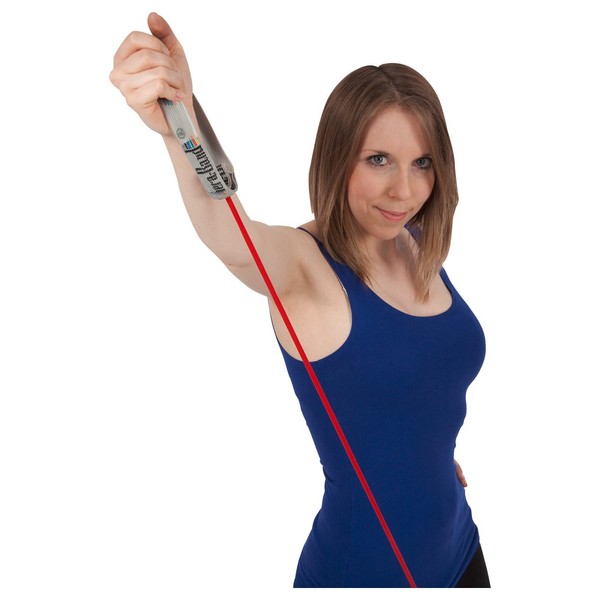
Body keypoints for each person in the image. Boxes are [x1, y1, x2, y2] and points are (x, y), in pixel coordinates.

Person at [110, 12, 491, 588]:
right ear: (338, 159)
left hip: (461, 552)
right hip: (362, 575)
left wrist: (427, 458)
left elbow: (420, 379)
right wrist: (179, 124)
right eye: (378, 160)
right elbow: (231, 235)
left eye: (422, 163)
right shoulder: (303, 267)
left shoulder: (411, 240)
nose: (405, 190)